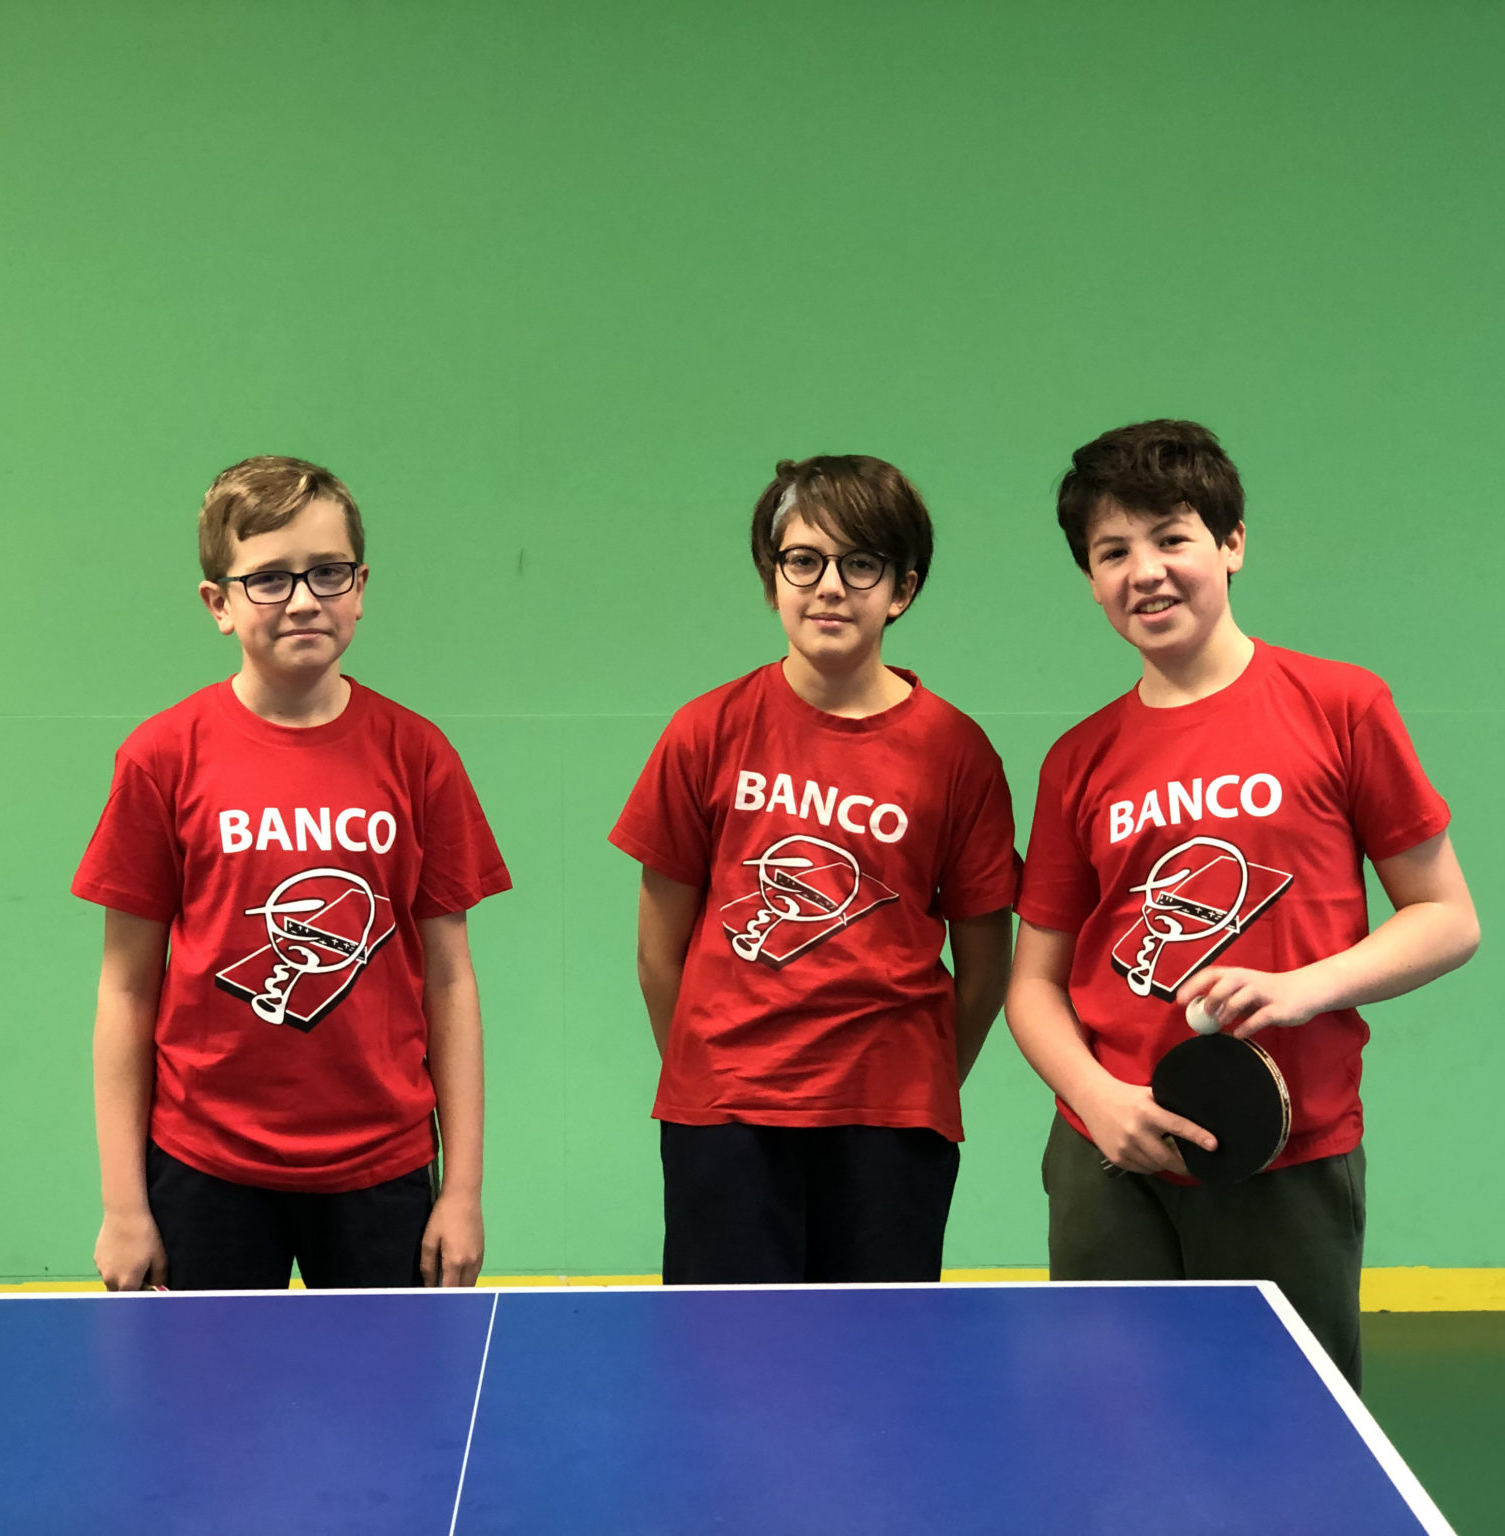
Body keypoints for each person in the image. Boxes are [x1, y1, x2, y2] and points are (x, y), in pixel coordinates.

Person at [1006, 420, 1479, 1386]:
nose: (1145, 571)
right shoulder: (1078, 760)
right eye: (1112, 552)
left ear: (1232, 544)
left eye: (1171, 538)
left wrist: (1306, 987)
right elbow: (1034, 986)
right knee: (1110, 1432)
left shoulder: (1340, 706)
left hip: (1285, 1151)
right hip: (1110, 1158)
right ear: (1090, 580)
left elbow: (1446, 918)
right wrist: (1095, 1100)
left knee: (1285, 1435)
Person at [73, 455, 510, 1291]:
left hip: (382, 1168)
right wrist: (124, 1207)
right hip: (204, 1168)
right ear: (219, 604)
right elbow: (126, 989)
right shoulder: (161, 758)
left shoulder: (419, 756)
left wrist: (463, 1192)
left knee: (393, 1382)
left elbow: (450, 981)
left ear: (360, 587)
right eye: (269, 578)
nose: (305, 599)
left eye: (328, 572)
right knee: (206, 1383)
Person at [610, 455, 1020, 1284]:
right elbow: (659, 953)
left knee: (876, 1358)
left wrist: (915, 1084)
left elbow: (985, 970)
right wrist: (709, 1072)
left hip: (892, 1119)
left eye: (860, 563)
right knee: (724, 1356)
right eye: (804, 561)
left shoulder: (958, 751)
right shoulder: (705, 730)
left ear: (901, 589)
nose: (829, 587)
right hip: (725, 1114)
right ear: (774, 580)